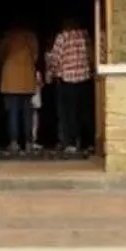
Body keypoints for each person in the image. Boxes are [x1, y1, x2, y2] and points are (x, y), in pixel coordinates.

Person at [45, 17, 93, 154]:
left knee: (68, 112)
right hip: (84, 78)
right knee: (84, 112)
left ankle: (71, 143)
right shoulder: (84, 35)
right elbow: (90, 54)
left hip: (67, 79)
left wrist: (53, 72)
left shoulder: (62, 37)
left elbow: (55, 58)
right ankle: (87, 143)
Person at [0, 24, 40, 153]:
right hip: (26, 78)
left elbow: (0, 55)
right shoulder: (31, 37)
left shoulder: (8, 37)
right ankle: (28, 143)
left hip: (10, 79)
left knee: (13, 112)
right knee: (27, 113)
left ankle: (14, 143)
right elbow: (36, 56)